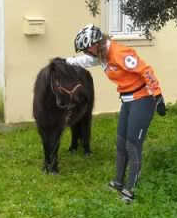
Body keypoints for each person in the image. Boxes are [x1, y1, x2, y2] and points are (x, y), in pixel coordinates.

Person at [66, 24, 166, 203]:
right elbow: (85, 62)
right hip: (127, 102)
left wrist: (158, 96)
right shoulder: (101, 55)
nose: (87, 53)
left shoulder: (119, 53)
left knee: (132, 147)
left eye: (87, 49)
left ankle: (130, 190)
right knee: (121, 144)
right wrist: (64, 62)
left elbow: (146, 71)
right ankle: (118, 182)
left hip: (142, 100)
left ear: (96, 44)